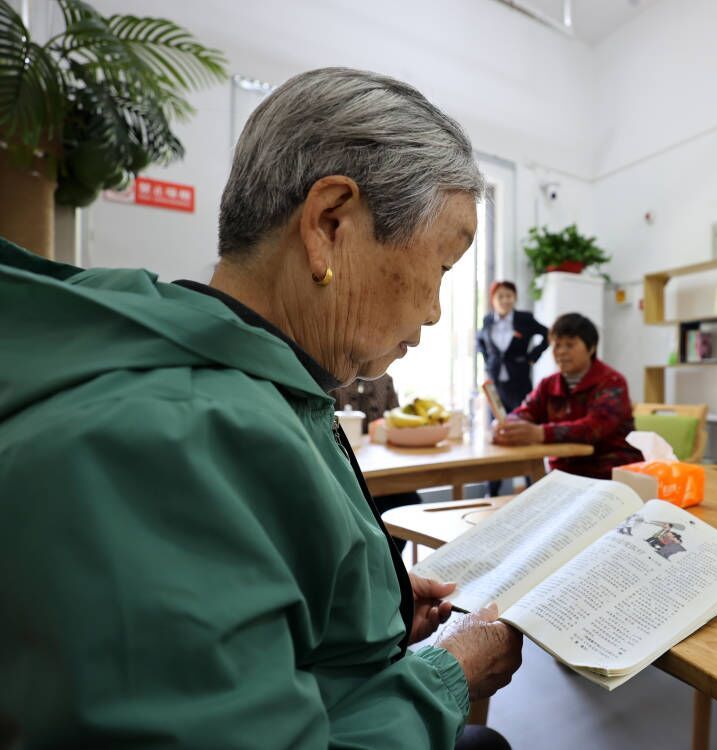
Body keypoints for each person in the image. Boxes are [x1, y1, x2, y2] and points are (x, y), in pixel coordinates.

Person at [0, 68, 521, 749]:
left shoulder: (264, 384)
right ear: (329, 224)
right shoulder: (158, 442)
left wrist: (380, 604)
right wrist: (449, 674)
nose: (432, 311)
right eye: (444, 267)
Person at [494, 313, 643, 479]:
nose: (561, 352)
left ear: (591, 348)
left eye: (570, 345)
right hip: (564, 474)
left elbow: (594, 428)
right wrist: (509, 426)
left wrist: (540, 433)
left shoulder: (612, 382)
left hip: (611, 474)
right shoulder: (548, 385)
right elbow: (525, 412)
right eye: (557, 345)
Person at [333, 373, 421, 550]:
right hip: (345, 462)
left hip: (382, 462)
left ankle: (392, 562)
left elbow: (395, 420)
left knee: (409, 500)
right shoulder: (335, 379)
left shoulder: (385, 380)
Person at [476, 280, 549, 413]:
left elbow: (548, 334)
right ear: (493, 299)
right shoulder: (488, 320)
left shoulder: (525, 318)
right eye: (500, 296)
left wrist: (533, 356)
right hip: (495, 380)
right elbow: (479, 340)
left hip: (519, 378)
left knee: (522, 416)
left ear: (515, 298)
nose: (505, 300)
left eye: (509, 296)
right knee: (497, 419)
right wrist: (488, 361)